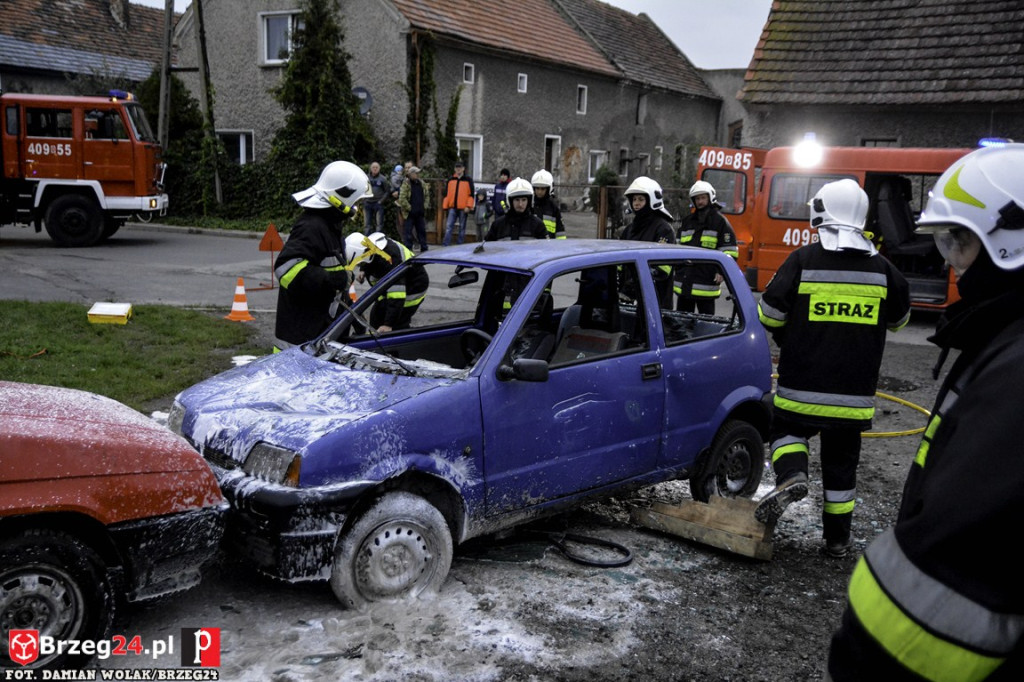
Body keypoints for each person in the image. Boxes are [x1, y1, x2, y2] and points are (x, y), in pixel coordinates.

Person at [827, 144, 1024, 681]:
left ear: (1008, 242)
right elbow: (896, 321)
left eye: (958, 241)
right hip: (856, 400)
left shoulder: (1013, 374)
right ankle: (834, 534)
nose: (948, 260)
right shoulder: (1001, 342)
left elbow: (947, 580)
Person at [754, 179, 911, 559]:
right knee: (842, 468)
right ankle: (837, 541)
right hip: (854, 397)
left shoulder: (803, 260)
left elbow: (768, 312)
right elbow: (899, 322)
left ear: (821, 213)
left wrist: (788, 335)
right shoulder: (885, 271)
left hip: (800, 387)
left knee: (784, 426)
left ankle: (792, 475)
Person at [273, 160, 370, 351]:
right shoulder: (311, 227)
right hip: (299, 343)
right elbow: (285, 270)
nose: (357, 207)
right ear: (341, 197)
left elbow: (334, 290)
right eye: (356, 201)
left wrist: (353, 316)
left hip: (318, 335)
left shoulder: (329, 226)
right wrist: (332, 279)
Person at [344, 231, 428, 333]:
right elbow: (367, 257)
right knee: (376, 318)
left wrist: (388, 325)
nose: (358, 265)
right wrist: (364, 269)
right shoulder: (370, 245)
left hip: (413, 288)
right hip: (395, 285)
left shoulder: (389, 259)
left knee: (397, 326)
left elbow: (397, 296)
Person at [675, 180, 738, 314]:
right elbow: (676, 248)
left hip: (706, 282)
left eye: (703, 197)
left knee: (707, 324)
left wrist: (721, 271)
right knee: (681, 324)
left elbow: (730, 250)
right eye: (697, 198)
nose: (700, 202)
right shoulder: (687, 222)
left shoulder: (720, 222)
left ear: (710, 198)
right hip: (685, 282)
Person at [619, 176, 675, 307]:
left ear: (652, 201)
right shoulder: (629, 229)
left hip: (655, 301)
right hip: (629, 299)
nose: (636, 203)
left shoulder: (663, 229)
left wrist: (631, 287)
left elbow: (661, 269)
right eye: (634, 199)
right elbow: (620, 264)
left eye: (641, 199)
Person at [484, 177, 546, 241]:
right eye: (517, 200)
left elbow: (545, 248)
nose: (520, 204)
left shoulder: (537, 225)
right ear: (510, 201)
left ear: (529, 201)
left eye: (524, 200)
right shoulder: (498, 225)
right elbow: (487, 248)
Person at [396, 165, 431, 252]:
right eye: (416, 173)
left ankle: (424, 247)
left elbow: (427, 196)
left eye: (418, 173)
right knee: (408, 232)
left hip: (420, 212)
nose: (418, 174)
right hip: (409, 213)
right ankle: (408, 249)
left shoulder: (421, 183)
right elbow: (402, 198)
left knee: (422, 231)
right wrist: (410, 208)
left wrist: (424, 206)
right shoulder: (406, 184)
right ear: (411, 174)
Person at [441, 160, 475, 246]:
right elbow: (446, 194)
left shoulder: (468, 180)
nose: (458, 169)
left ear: (463, 168)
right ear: (454, 169)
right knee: (449, 227)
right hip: (452, 207)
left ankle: (459, 245)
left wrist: (468, 206)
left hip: (463, 208)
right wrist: (445, 206)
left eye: (460, 167)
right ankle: (445, 245)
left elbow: (471, 194)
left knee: (462, 228)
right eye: (457, 167)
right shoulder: (450, 180)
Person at [531, 169, 566, 239]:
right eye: (537, 188)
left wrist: (561, 247)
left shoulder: (553, 207)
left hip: (549, 246)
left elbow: (560, 231)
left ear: (549, 189)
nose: (539, 192)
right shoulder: (529, 205)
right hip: (532, 245)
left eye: (542, 189)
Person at [362, 162, 391, 235]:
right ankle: (367, 241)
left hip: (378, 203)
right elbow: (362, 189)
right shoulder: (366, 178)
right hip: (367, 203)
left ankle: (378, 240)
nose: (375, 169)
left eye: (376, 167)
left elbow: (387, 191)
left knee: (379, 224)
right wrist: (364, 200)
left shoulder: (383, 179)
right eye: (373, 167)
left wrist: (381, 201)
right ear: (370, 168)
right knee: (367, 224)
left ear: (379, 169)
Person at [389, 163, 405, 233]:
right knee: (400, 221)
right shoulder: (394, 177)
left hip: (402, 197)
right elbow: (394, 185)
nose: (400, 172)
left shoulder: (402, 177)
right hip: (398, 195)